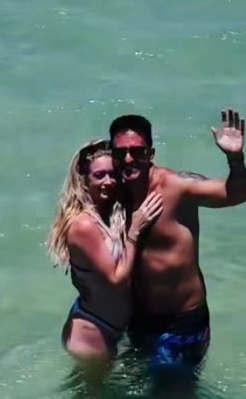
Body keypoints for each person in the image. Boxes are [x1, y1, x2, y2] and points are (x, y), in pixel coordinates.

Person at [109, 108, 246, 375]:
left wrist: (235, 158)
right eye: (120, 153)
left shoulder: (178, 187)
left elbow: (236, 194)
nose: (129, 159)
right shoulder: (110, 192)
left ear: (150, 154)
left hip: (181, 321)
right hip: (137, 318)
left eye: (137, 152)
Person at [47, 140, 162, 362]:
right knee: (90, 397)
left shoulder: (110, 214)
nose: (108, 182)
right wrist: (135, 231)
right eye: (99, 175)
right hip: (92, 332)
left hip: (110, 325)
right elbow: (116, 278)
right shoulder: (83, 225)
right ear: (84, 179)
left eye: (113, 174)